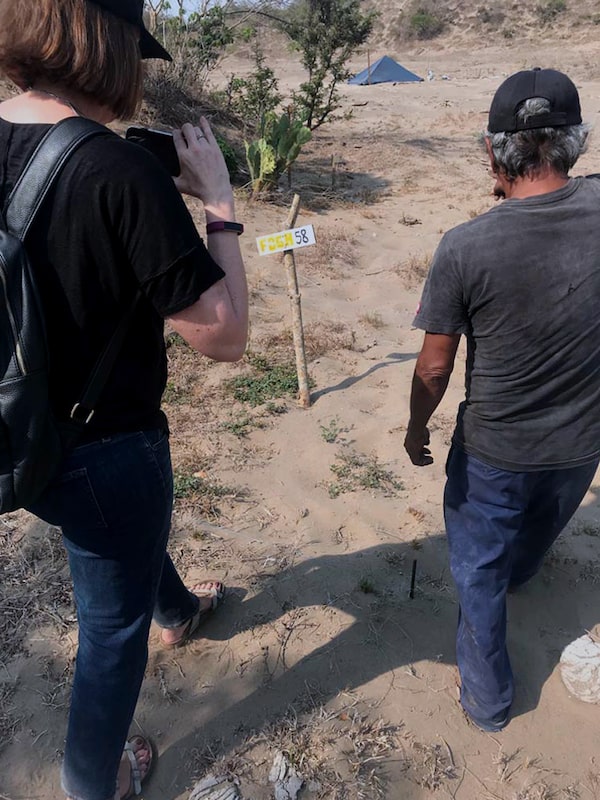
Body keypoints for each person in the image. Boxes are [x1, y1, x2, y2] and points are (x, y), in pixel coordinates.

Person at [0, 1, 248, 798]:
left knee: (122, 545)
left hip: (16, 432)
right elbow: (224, 336)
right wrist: (217, 204)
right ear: (104, 44)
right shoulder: (119, 171)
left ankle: (176, 609)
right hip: (105, 450)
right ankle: (92, 784)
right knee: (110, 631)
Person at [404, 67, 600, 733]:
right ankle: (524, 571)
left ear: (492, 152)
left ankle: (489, 703)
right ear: (577, 142)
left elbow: (434, 367)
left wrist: (416, 430)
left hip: (495, 453)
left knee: (478, 577)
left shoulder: (466, 247)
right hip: (582, 442)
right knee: (539, 527)